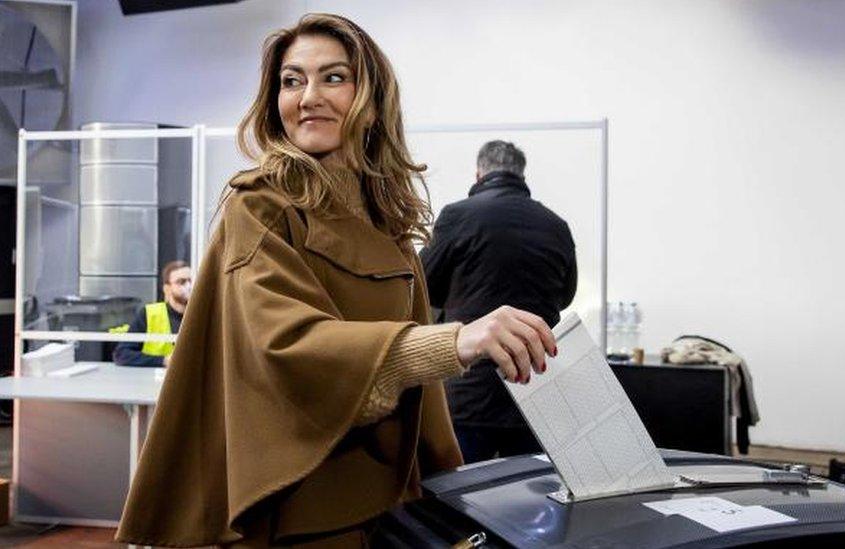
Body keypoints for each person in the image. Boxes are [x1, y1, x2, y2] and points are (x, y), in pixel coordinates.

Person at [115, 14, 556, 548]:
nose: (308, 97)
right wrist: (457, 339)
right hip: (303, 499)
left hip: (390, 498)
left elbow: (422, 389)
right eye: (292, 81)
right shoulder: (260, 204)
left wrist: (439, 472)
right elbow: (285, 344)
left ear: (370, 98)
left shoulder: (387, 217)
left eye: (333, 78)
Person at [421, 140, 577, 463]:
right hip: (534, 387)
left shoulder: (457, 216)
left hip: (469, 390)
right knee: (529, 500)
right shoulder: (556, 226)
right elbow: (565, 297)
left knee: (458, 501)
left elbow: (422, 284)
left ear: (479, 174)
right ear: (521, 174)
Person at [111, 260, 191, 367]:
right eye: (181, 282)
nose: (189, 286)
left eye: (191, 281)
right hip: (155, 381)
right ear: (167, 289)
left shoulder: (204, 315)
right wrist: (164, 361)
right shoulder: (149, 314)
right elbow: (122, 354)